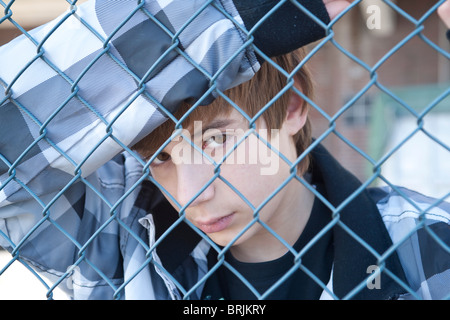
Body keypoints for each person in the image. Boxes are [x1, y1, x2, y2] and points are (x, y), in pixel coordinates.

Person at [0, 0, 448, 301]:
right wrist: (251, 14)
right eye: (162, 158)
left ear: (292, 108)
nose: (193, 193)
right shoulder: (123, 250)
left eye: (215, 141)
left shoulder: (426, 246)